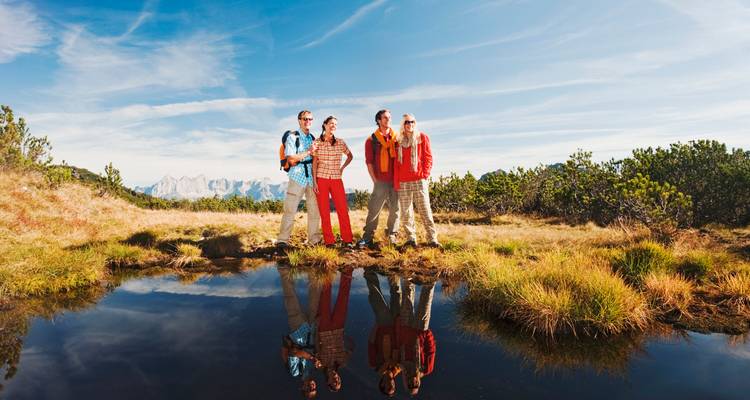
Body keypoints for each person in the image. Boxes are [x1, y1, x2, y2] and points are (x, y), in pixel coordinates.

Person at [277, 110, 322, 249]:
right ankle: (282, 241)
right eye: (305, 119)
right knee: (290, 210)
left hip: (311, 178)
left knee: (314, 211)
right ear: (299, 120)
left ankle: (314, 240)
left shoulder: (312, 137)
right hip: (297, 177)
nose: (307, 121)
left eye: (310, 119)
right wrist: (309, 151)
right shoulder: (292, 137)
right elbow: (290, 158)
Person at [393, 114, 439, 248]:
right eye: (407, 122)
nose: (409, 124)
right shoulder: (398, 141)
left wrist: (424, 174)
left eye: (412, 122)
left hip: (419, 180)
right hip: (403, 182)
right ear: (403, 124)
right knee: (406, 213)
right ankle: (411, 239)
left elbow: (428, 157)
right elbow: (396, 163)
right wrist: (396, 181)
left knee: (425, 210)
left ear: (415, 123)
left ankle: (432, 239)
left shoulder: (422, 138)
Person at [357, 109, 401, 249]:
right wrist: (374, 179)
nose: (388, 120)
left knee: (395, 209)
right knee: (374, 209)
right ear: (378, 120)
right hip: (380, 180)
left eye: (390, 117)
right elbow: (369, 161)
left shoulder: (397, 138)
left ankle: (392, 235)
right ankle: (368, 237)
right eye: (385, 118)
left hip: (396, 179)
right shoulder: (371, 140)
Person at [278, 266, 322, 398]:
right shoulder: (315, 368)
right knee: (316, 295)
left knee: (290, 297)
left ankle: (283, 267)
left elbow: (294, 352)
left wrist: (311, 357)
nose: (311, 386)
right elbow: (316, 344)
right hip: (312, 326)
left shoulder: (295, 372)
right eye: (314, 388)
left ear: (302, 387)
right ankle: (314, 268)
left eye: (308, 389)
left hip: (297, 328)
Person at [312, 116, 354, 248]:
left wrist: (342, 168)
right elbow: (314, 163)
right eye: (331, 123)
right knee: (324, 212)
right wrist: (314, 182)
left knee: (342, 209)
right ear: (324, 125)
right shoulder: (317, 142)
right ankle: (329, 242)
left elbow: (350, 156)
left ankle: (347, 239)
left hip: (336, 179)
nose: (333, 126)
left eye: (335, 124)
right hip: (321, 179)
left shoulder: (340, 142)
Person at [315, 267, 354, 392]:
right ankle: (348, 269)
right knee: (344, 297)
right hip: (338, 329)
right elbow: (351, 345)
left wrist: (316, 328)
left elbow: (315, 345)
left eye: (334, 382)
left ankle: (328, 268)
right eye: (339, 381)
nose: (337, 379)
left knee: (325, 297)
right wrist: (346, 344)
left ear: (328, 381)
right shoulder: (342, 362)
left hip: (324, 330)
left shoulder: (320, 365)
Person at [364, 270, 403, 397]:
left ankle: (369, 269)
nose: (392, 386)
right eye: (393, 388)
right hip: (397, 324)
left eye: (388, 388)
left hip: (383, 324)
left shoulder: (375, 364)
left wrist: (377, 325)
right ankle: (393, 268)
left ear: (382, 385)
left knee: (375, 295)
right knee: (396, 293)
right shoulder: (399, 366)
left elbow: (371, 343)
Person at [397, 277, 437, 397]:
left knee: (407, 296)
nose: (413, 382)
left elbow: (398, 343)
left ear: (406, 382)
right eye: (415, 384)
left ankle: (409, 272)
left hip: (405, 326)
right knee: (426, 299)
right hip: (421, 329)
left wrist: (399, 327)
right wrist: (427, 333)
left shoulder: (400, 365)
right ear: (419, 383)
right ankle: (432, 274)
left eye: (410, 384)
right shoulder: (426, 369)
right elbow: (431, 351)